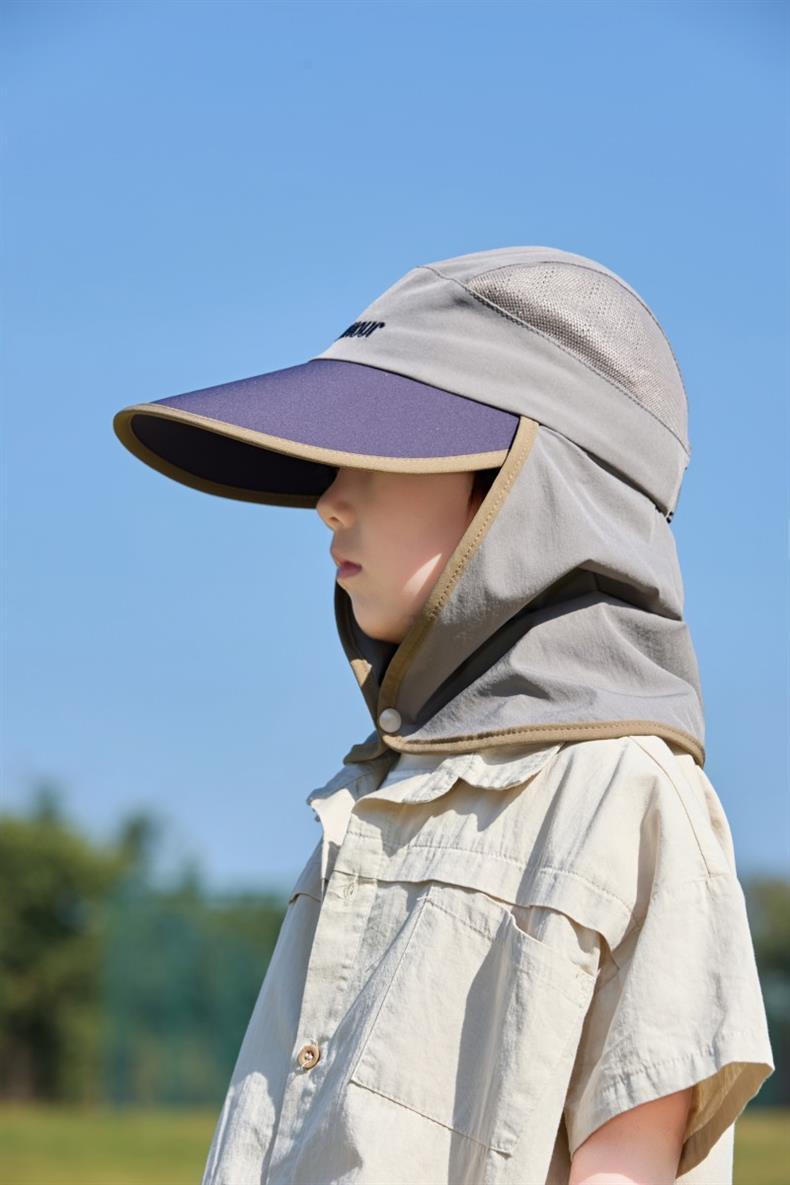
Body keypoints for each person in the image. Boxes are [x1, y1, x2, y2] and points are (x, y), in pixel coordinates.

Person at [113, 245, 774, 1185]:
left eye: (378, 452)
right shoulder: (373, 794)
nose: (329, 501)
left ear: (532, 490)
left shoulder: (624, 796)